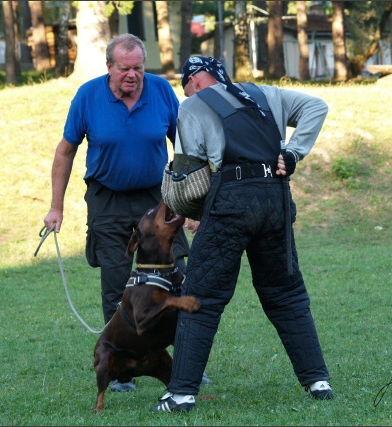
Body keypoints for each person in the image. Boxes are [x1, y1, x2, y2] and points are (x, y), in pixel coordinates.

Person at [152, 56, 332, 412]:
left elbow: (189, 172)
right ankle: (318, 382)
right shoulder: (266, 93)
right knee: (287, 292)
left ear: (196, 81)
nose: (185, 93)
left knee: (201, 294)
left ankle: (182, 394)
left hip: (231, 201)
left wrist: (195, 212)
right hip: (276, 199)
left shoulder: (192, 106)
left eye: (185, 87)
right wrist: (293, 153)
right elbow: (317, 106)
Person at [43, 34, 211, 392]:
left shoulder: (161, 90)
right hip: (108, 201)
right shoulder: (88, 96)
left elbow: (184, 149)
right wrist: (56, 207)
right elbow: (65, 152)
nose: (132, 75)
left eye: (138, 67)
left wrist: (194, 206)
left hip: (157, 198)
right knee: (117, 284)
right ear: (109, 67)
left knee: (179, 277)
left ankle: (186, 363)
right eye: (124, 68)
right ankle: (122, 370)